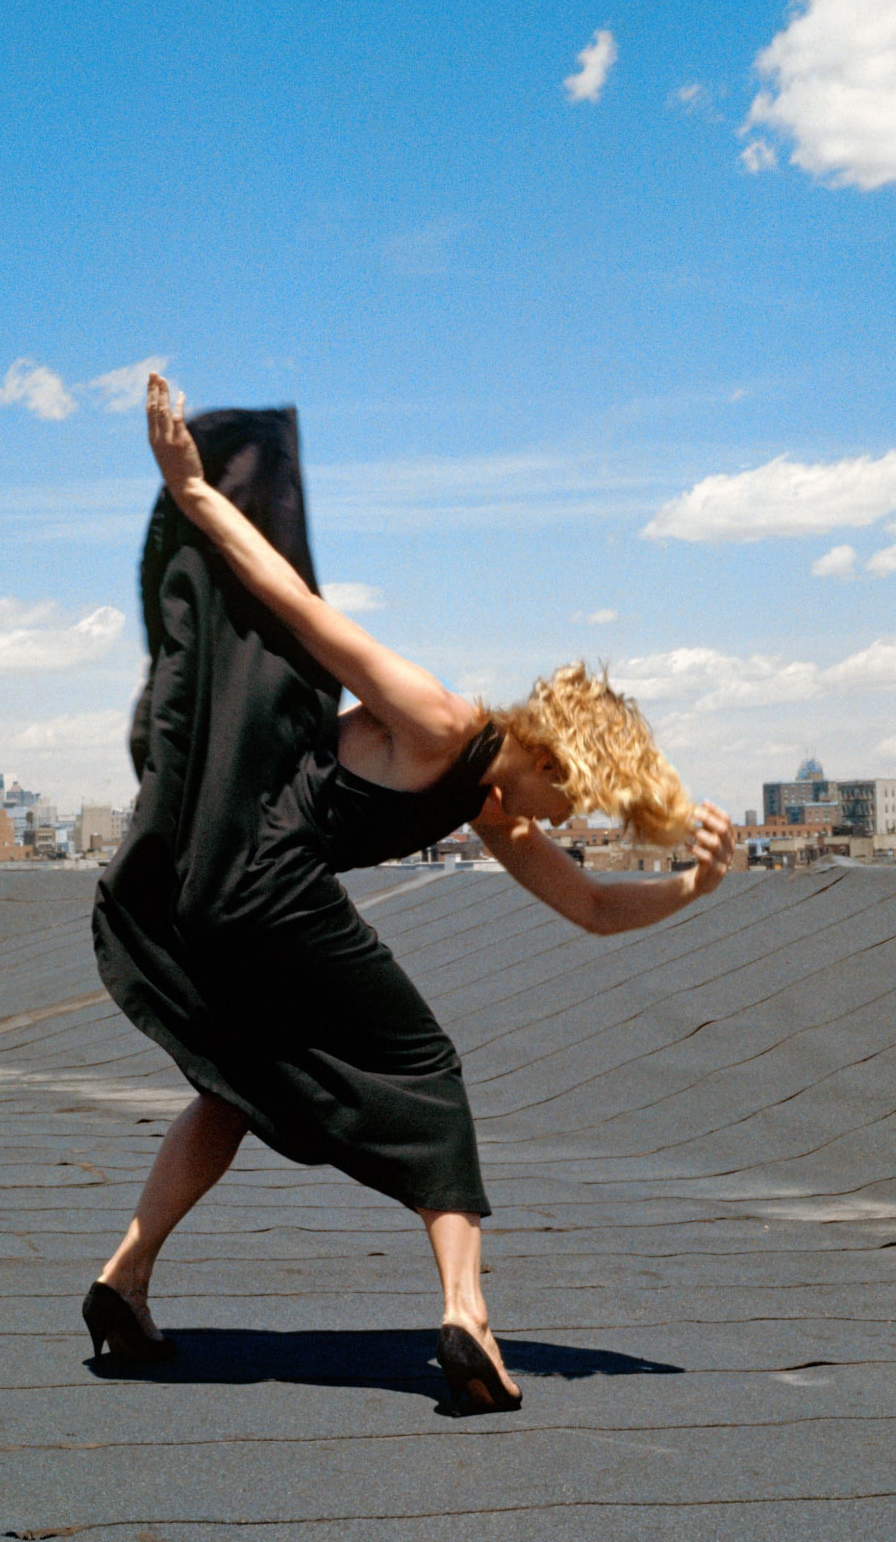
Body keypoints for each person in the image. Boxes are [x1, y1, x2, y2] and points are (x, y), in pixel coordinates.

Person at [85, 375, 734, 1415]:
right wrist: (195, 494)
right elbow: (294, 608)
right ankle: (466, 1315)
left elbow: (591, 909)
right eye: (570, 791)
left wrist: (693, 886)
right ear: (543, 744)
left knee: (234, 1086)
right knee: (423, 1066)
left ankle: (123, 1278)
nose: (564, 818)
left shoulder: (487, 801)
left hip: (226, 897)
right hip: (260, 886)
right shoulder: (434, 720)